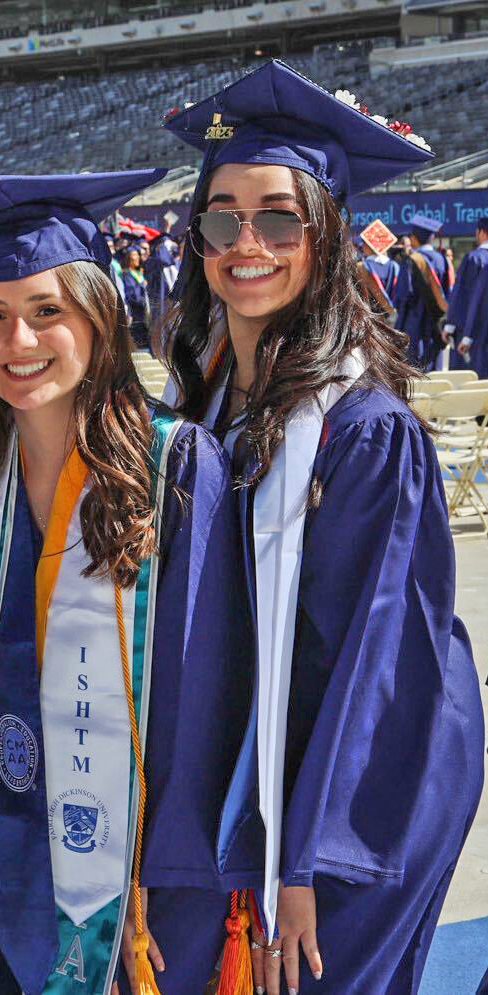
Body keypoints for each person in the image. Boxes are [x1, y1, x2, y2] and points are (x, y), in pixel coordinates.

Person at [162, 59, 482, 994]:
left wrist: (303, 860)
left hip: (364, 788)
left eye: (277, 217)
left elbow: (376, 657)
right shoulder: (216, 400)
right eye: (221, 217)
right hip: (268, 764)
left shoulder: (364, 430)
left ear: (327, 234)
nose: (245, 240)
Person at [0, 171, 247, 995]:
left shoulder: (174, 464)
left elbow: (203, 692)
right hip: (6, 861)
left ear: (98, 321)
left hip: (136, 877)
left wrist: (174, 882)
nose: (18, 340)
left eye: (46, 312)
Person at [393, 213, 449, 370]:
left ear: (414, 238)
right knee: (436, 373)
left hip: (414, 326)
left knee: (415, 373)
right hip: (436, 326)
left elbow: (403, 295)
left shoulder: (411, 260)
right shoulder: (442, 259)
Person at [446, 216, 488, 375]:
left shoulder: (473, 258)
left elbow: (461, 295)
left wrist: (450, 325)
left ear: (482, 233)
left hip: (470, 328)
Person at [118, 246, 150, 349]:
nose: (137, 259)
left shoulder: (139, 273)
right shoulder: (127, 274)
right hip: (135, 313)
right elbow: (132, 295)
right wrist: (142, 286)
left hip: (142, 312)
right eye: (134, 257)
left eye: (138, 257)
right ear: (129, 259)